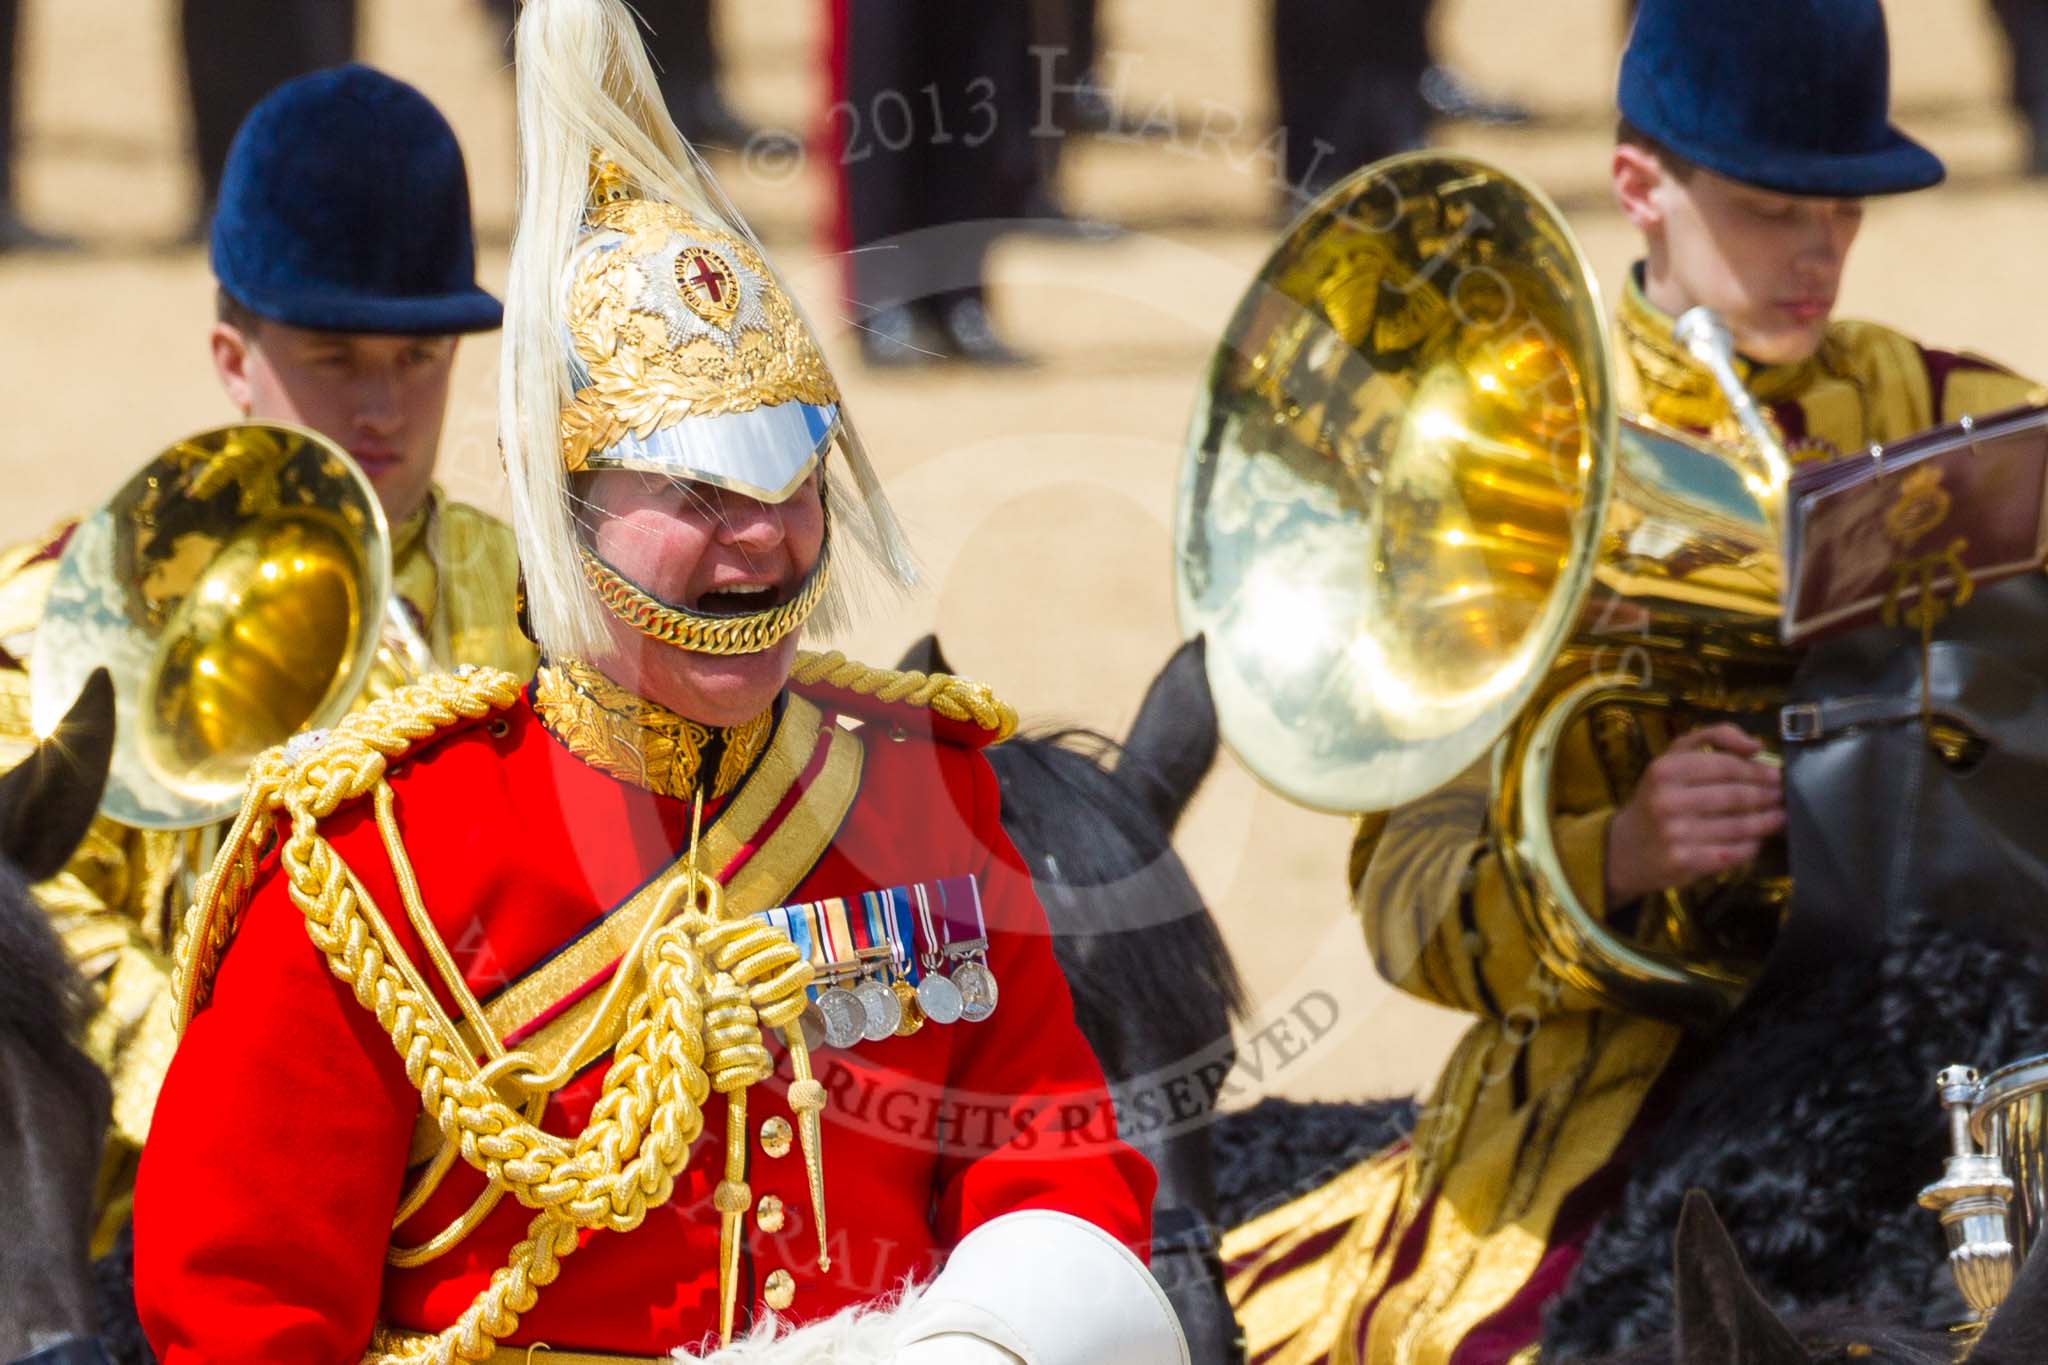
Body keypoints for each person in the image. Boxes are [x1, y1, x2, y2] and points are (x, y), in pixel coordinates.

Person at [133, 2, 1186, 1361]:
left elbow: (1055, 1167)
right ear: (556, 508)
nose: (761, 538)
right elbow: (243, 1312)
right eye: (695, 492)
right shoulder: (367, 864)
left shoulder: (924, 795)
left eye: (791, 482)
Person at [1220, 2, 2045, 1361]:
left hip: (1960, 1071)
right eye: (1776, 208)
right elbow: (1405, 892)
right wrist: (1613, 851)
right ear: (1637, 186)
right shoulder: (1492, 458)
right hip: (1619, 1104)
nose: (1819, 254)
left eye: (1848, 212)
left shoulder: (1964, 409)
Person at [0, 63, 531, 1251]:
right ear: (232, 358)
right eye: (335, 361)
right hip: (174, 1216)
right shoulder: (52, 625)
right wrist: (230, 1098)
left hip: (502, 1198)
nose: (385, 408)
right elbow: (30, 917)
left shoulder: (549, 601)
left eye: (421, 359)